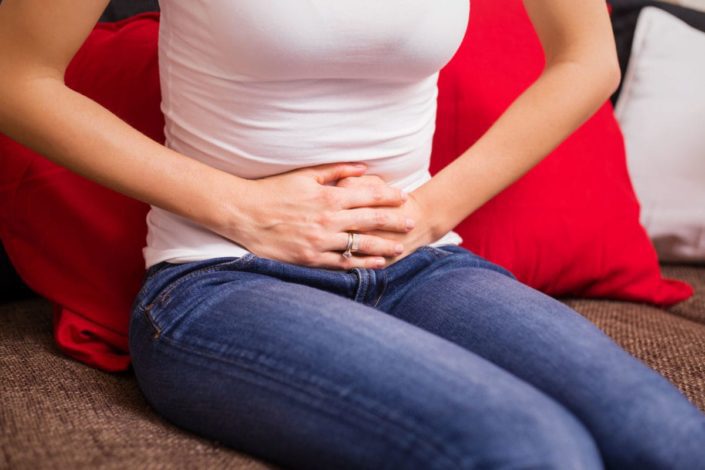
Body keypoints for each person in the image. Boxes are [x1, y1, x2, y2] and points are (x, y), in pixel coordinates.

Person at [1, 0, 704, 468]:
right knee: (528, 447)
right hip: (222, 277)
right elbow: (13, 76)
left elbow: (586, 58)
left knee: (667, 439)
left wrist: (431, 210)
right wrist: (239, 208)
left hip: (418, 265)